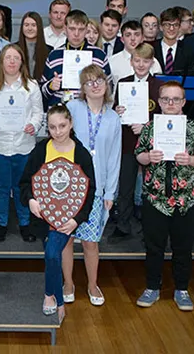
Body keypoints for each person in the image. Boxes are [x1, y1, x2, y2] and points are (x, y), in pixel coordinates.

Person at [134, 81, 194, 311]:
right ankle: (152, 287)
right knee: (154, 246)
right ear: (159, 101)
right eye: (166, 99)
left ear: (183, 102)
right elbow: (138, 155)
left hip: (187, 199)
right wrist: (149, 156)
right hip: (155, 198)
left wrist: (190, 160)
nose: (170, 103)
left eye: (176, 99)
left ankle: (182, 289)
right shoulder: (150, 127)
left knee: (183, 247)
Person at [20, 105, 96, 322]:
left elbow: (89, 190)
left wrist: (76, 220)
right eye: (52, 127)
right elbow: (25, 182)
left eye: (62, 126)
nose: (58, 131)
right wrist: (31, 200)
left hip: (68, 219)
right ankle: (54, 294)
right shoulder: (41, 150)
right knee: (50, 257)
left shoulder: (80, 153)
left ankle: (52, 297)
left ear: (70, 124)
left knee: (53, 254)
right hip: (44, 217)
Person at [62, 65, 121, 307]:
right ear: (82, 88)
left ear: (106, 85)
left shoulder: (113, 117)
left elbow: (115, 156)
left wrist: (110, 192)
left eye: (99, 81)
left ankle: (92, 283)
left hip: (97, 188)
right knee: (65, 238)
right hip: (69, 185)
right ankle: (68, 283)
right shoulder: (72, 109)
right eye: (89, 82)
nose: (95, 85)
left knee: (90, 241)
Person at [0, 45, 44, 242]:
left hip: (24, 144)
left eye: (15, 58)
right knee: (1, 187)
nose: (11, 61)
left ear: (21, 62)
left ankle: (25, 224)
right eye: (7, 58)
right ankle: (0, 225)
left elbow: (38, 112)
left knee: (22, 187)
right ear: (1, 62)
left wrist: (33, 125)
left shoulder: (31, 86)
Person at [109, 43, 163, 242]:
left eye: (146, 61)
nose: (141, 65)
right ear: (131, 61)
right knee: (126, 186)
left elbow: (164, 117)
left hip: (151, 145)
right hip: (127, 142)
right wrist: (117, 112)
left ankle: (150, 226)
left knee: (151, 186)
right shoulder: (123, 83)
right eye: (137, 60)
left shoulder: (159, 86)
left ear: (152, 63)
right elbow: (115, 111)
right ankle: (123, 225)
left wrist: (146, 126)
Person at [40, 10, 111, 108]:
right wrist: (50, 86)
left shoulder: (99, 55)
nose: (76, 34)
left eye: (81, 29)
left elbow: (109, 87)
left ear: (86, 30)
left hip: (90, 111)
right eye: (72, 29)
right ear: (65, 29)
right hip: (61, 111)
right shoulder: (54, 55)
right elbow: (42, 91)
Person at [153, 7, 194, 75]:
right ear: (161, 27)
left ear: (179, 27)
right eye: (167, 25)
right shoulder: (152, 48)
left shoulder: (188, 50)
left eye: (175, 25)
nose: (171, 28)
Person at [16, 11, 52, 83]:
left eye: (33, 25)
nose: (30, 28)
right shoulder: (14, 49)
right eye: (26, 25)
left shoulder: (49, 50)